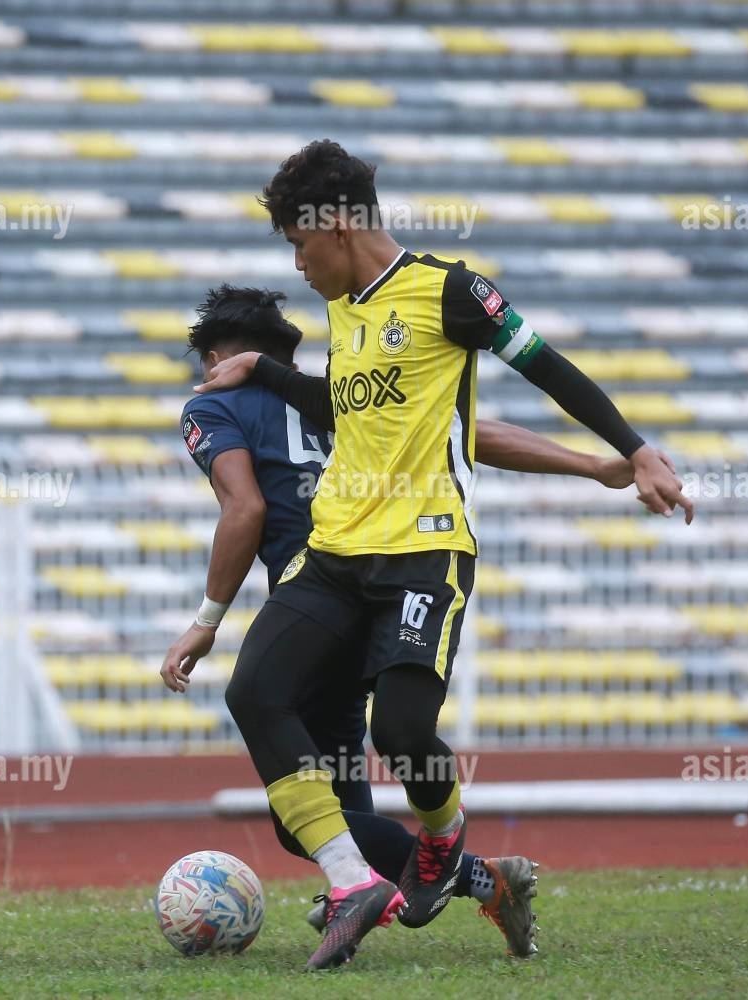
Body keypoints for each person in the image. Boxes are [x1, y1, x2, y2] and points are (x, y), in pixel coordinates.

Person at [198, 140, 693, 969]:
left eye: (300, 244)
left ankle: (446, 834)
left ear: (338, 226)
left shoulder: (451, 293)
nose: (297, 264)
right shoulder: (347, 310)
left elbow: (546, 366)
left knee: (401, 731)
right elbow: (345, 406)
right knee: (255, 691)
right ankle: (351, 883)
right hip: (334, 553)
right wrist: (262, 370)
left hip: (423, 555)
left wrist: (634, 451)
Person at [162, 283, 644, 958]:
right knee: (340, 777)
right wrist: (590, 464)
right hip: (385, 584)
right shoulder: (342, 393)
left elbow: (245, 508)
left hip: (318, 594)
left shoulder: (212, 404)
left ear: (216, 358)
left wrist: (206, 619)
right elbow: (465, 432)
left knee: (295, 811)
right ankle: (366, 892)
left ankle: (461, 879)